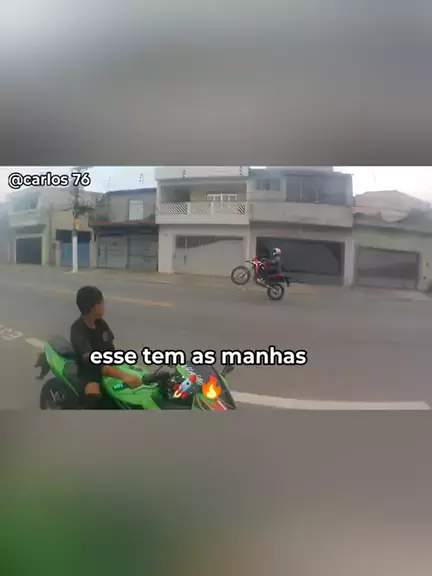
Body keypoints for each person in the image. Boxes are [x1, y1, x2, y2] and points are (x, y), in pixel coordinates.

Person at [70, 285, 142, 409]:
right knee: (93, 400)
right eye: (102, 303)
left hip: (109, 365)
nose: (104, 306)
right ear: (94, 307)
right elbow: (93, 363)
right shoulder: (78, 330)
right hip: (89, 372)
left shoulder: (101, 324)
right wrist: (124, 376)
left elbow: (110, 348)